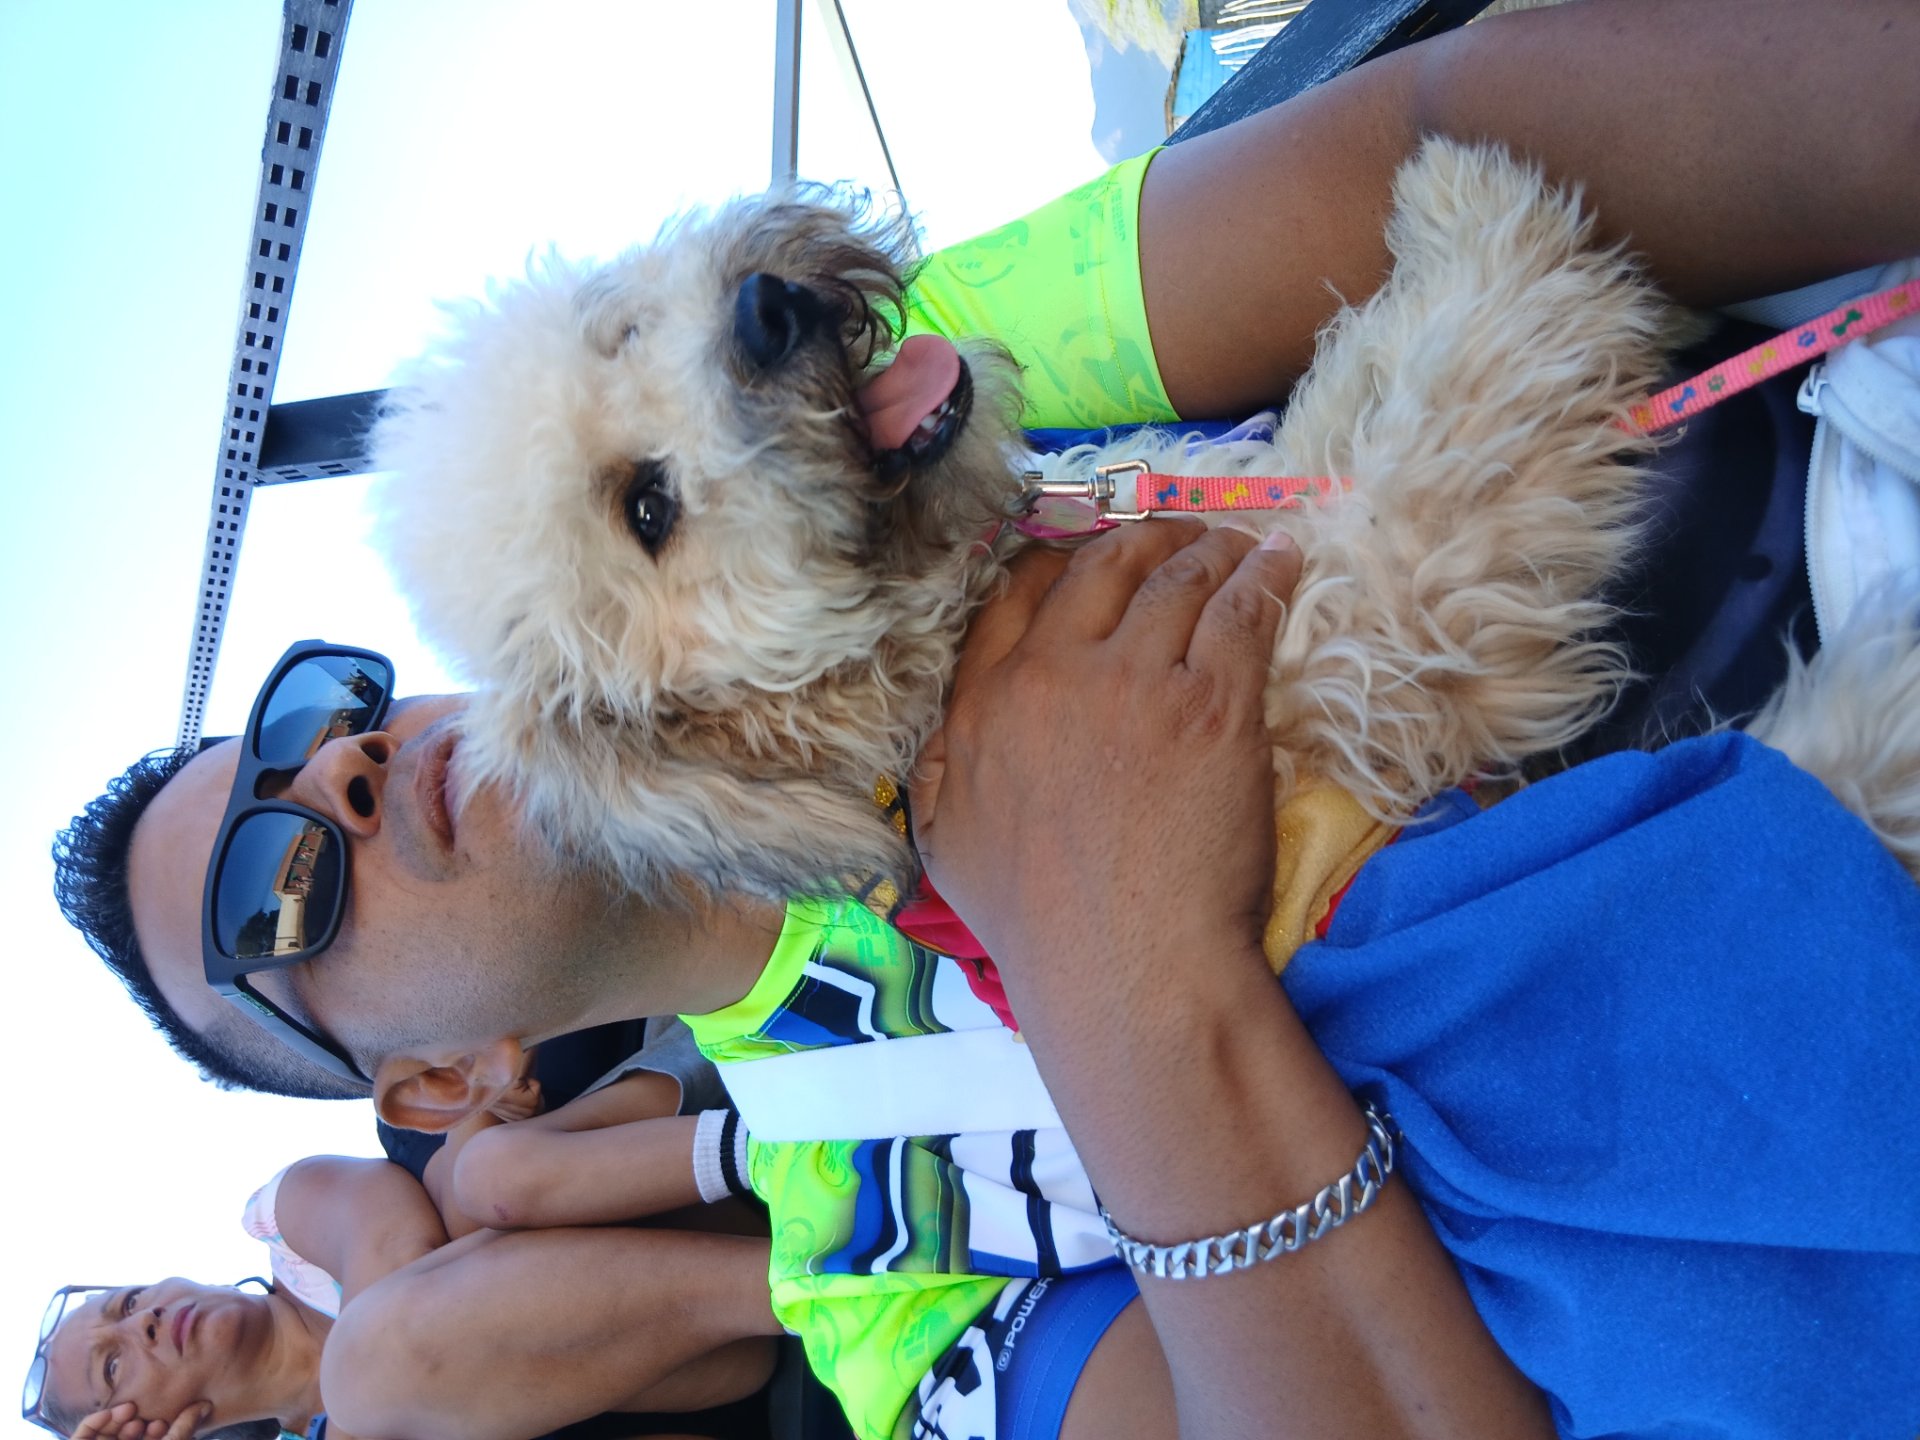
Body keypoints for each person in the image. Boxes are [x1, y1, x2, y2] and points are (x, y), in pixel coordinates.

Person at [49, 2, 1920, 1436]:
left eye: (319, 712)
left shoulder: (895, 388)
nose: (349, 776)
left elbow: (1462, 134)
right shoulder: (873, 1278)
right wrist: (1124, 976)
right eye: (279, 889)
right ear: (440, 1090)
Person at [27, 1127, 784, 1440]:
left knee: (470, 1176)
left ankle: (799, 1179)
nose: (145, 1320)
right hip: (705, 1365)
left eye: (126, 1303)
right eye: (115, 1363)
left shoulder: (285, 1220)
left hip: (669, 1208)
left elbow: (396, 1234)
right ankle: (830, 1286)